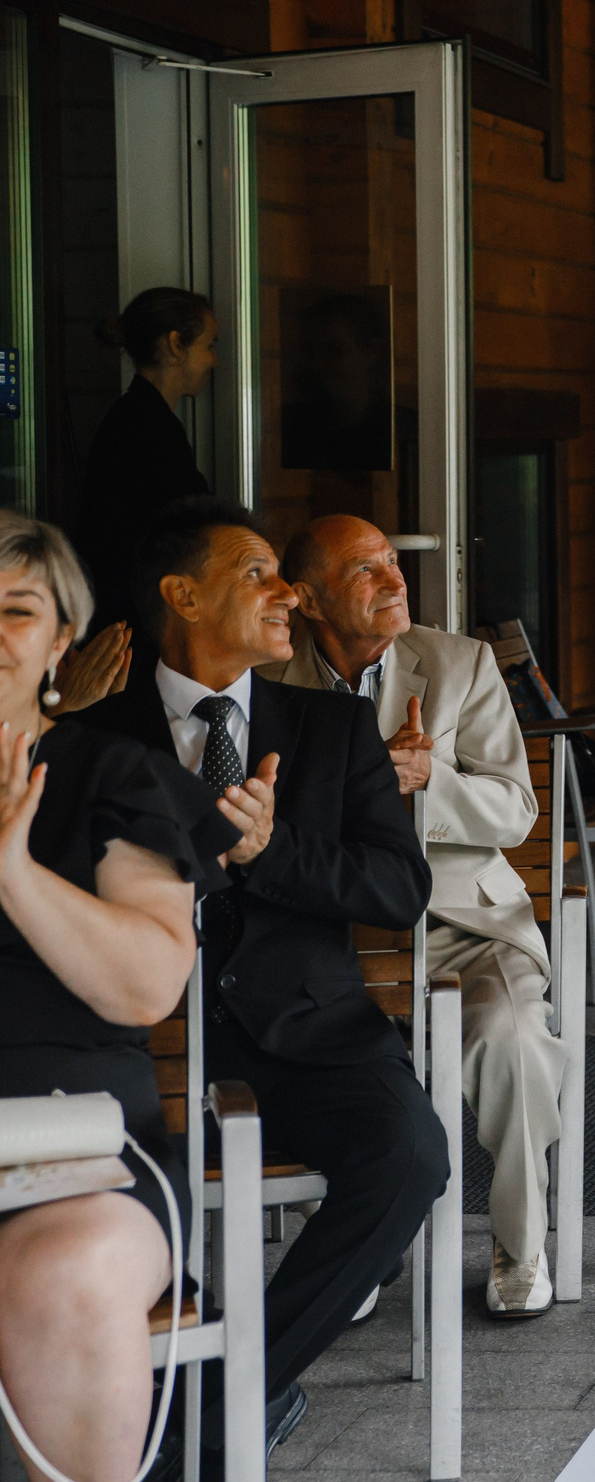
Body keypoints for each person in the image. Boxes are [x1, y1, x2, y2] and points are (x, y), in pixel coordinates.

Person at [83, 499, 438, 1453]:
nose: (289, 593)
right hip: (137, 1044)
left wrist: (272, 850)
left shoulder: (332, 728)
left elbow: (400, 888)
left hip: (313, 1034)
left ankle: (230, 1389)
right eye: (258, 573)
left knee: (411, 1154)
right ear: (182, 595)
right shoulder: (94, 732)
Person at [270, 514, 563, 1316]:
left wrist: (429, 779)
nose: (396, 580)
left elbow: (515, 809)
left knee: (510, 1039)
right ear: (308, 598)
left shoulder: (458, 664)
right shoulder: (270, 677)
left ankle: (520, 1240)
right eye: (367, 570)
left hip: (460, 925)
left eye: (394, 562)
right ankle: (350, 1243)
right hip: (324, 927)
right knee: (282, 1034)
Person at [0, 512, 231, 1482]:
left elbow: (146, 985)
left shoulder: (111, 773)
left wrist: (10, 870)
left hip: (75, 1156)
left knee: (64, 1269)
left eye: (15, 609)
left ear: (62, 640)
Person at [66, 288, 221, 706]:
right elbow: (186, 521)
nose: (214, 360)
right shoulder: (145, 428)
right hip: (132, 626)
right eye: (208, 346)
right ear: (175, 345)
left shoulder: (140, 419)